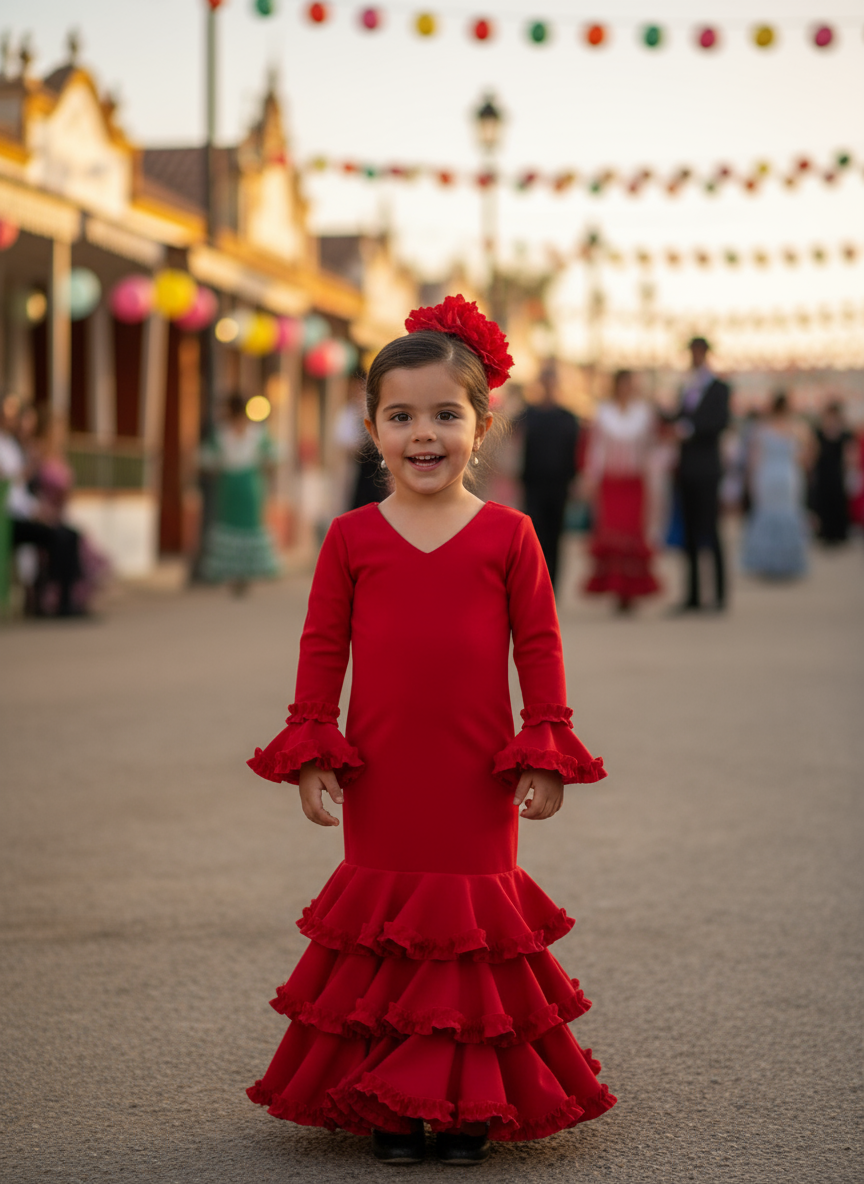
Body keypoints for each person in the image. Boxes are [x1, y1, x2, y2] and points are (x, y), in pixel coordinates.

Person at [245, 295, 615, 1166]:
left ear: (481, 426)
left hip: (475, 774)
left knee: (466, 930)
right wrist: (310, 748)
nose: (424, 434)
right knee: (390, 928)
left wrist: (549, 747)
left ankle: (465, 1104)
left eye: (446, 415)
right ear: (371, 426)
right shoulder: (350, 539)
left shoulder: (511, 536)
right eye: (400, 415)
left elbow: (541, 646)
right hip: (382, 770)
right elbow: (322, 646)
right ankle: (389, 1097)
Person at [582, 370, 661, 612]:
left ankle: (632, 590)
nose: (627, 388)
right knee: (612, 532)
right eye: (623, 384)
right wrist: (591, 477)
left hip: (634, 482)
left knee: (632, 533)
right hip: (611, 482)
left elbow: (653, 449)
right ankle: (616, 588)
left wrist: (656, 479)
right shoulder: (604, 412)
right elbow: (596, 448)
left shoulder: (644, 414)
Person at [0, 395, 84, 617]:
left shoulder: (12, 446)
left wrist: (37, 509)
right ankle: (47, 597)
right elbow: (9, 490)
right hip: (8, 517)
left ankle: (66, 599)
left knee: (69, 535)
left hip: (25, 511)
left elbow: (19, 489)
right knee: (56, 536)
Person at [666, 337, 730, 612]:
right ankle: (692, 595)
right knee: (690, 533)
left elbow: (719, 422)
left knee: (711, 531)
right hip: (687, 470)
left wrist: (690, 429)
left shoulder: (718, 388)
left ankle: (718, 596)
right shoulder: (688, 387)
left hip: (706, 471)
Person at [199, 392, 279, 595]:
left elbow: (208, 461)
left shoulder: (224, 434)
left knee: (234, 526)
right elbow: (271, 458)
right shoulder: (255, 432)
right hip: (246, 484)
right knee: (244, 526)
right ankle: (242, 574)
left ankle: (237, 574)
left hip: (233, 484)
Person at [518, 365, 579, 590]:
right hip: (533, 483)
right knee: (534, 535)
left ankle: (553, 584)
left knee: (556, 536)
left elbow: (575, 451)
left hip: (559, 484)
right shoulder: (527, 414)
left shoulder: (568, 418)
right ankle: (536, 581)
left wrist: (576, 479)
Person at [741, 393, 810, 579]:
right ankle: (788, 561)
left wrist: (749, 481)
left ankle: (767, 561)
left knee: (766, 514)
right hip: (788, 476)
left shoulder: (761, 429)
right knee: (788, 515)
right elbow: (805, 457)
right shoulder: (796, 428)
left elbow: (754, 460)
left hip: (768, 476)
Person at [810, 401, 855, 545]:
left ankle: (838, 532)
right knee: (823, 502)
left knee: (837, 501)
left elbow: (850, 456)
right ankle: (825, 532)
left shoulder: (845, 434)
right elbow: (813, 454)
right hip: (823, 474)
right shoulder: (818, 432)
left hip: (837, 474)